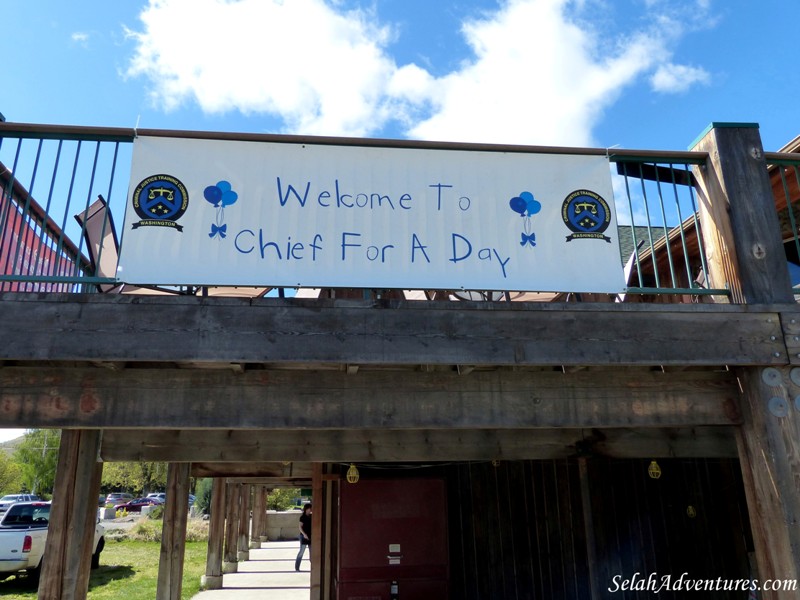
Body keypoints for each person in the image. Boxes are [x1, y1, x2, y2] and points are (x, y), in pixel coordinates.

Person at [295, 503, 312, 571]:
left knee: (312, 552)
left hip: (311, 536)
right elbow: (300, 527)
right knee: (301, 551)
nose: (311, 510)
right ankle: (297, 567)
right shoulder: (302, 517)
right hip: (303, 536)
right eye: (310, 508)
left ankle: (313, 567)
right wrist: (304, 534)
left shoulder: (311, 516)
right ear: (306, 509)